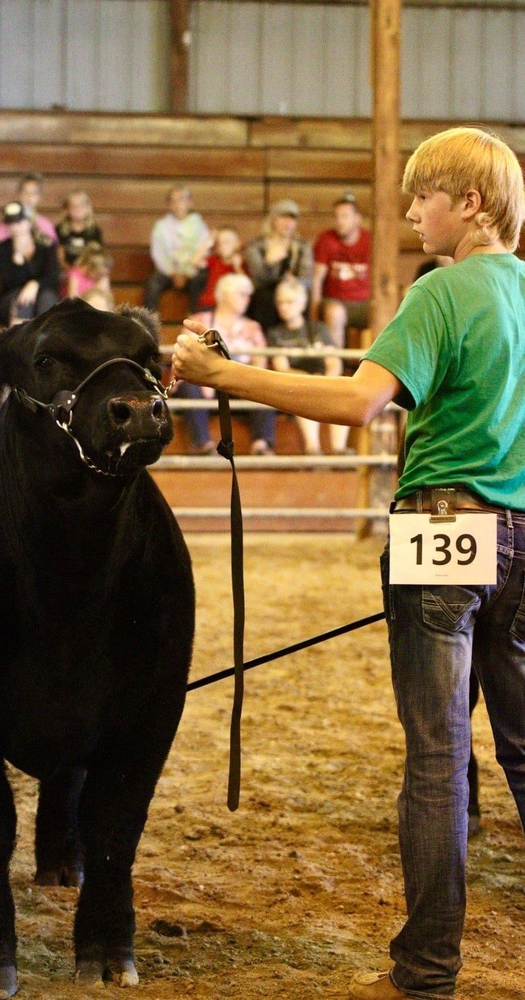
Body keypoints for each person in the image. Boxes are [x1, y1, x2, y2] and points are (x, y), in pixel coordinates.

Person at [172, 126, 525, 999]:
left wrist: (231, 377)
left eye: (422, 198)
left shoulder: (444, 291)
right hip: (522, 533)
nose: (410, 215)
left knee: (437, 756)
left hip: (441, 526)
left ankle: (426, 970)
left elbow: (360, 402)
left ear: (469, 203)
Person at [173, 272, 276, 456]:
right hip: (204, 383)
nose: (247, 299)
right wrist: (211, 378)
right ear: (224, 295)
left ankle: (261, 444)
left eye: (248, 295)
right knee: (189, 386)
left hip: (239, 384)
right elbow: (188, 355)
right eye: (242, 293)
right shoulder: (199, 321)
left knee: (266, 386)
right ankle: (202, 444)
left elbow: (260, 363)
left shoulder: (253, 327)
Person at [267, 276, 348, 455]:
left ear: (302, 304)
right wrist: (311, 380)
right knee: (305, 395)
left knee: (343, 393)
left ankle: (339, 450)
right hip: (296, 385)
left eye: (289, 301)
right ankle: (313, 449)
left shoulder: (318, 329)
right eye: (280, 302)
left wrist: (327, 382)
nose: (284, 306)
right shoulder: (276, 334)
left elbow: (334, 362)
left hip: (325, 383)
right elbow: (282, 368)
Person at [310, 192, 371, 349]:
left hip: (364, 303)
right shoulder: (326, 239)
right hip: (335, 301)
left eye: (344, 216)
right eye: (336, 217)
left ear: (357, 219)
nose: (339, 221)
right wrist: (314, 316)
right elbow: (317, 279)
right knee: (335, 313)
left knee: (384, 313)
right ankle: (336, 367)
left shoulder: (369, 240)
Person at [244, 199, 313, 334]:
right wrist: (270, 263)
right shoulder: (256, 245)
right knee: (265, 298)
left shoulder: (302, 246)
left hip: (292, 291)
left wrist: (293, 284)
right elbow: (258, 279)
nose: (287, 223)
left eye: (291, 219)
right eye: (283, 218)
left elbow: (307, 278)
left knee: (296, 298)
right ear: (273, 220)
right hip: (266, 295)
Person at [143, 185, 211, 314]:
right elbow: (159, 253)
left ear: (190, 203)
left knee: (202, 280)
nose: (178, 204)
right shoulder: (161, 226)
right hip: (169, 271)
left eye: (181, 199)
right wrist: (174, 272)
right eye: (173, 201)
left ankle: (194, 318)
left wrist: (187, 272)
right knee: (152, 284)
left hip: (192, 270)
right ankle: (148, 321)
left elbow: (203, 251)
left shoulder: (199, 225)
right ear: (168, 204)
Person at [0, 202, 60, 325]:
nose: (14, 227)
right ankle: (20, 340)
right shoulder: (1, 249)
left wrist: (35, 284)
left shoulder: (47, 246)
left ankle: (46, 341)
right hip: (12, 299)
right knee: (23, 299)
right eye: (10, 223)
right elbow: (11, 283)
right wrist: (18, 259)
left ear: (29, 222)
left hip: (44, 295)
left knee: (47, 297)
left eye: (18, 222)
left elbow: (53, 276)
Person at [0, 172, 58, 244]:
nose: (29, 197)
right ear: (19, 194)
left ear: (39, 197)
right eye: (25, 192)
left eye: (34, 193)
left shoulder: (45, 223)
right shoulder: (9, 221)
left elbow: (53, 244)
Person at [55, 189, 104, 278]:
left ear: (88, 208)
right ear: (67, 210)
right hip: (66, 272)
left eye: (81, 205)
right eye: (74, 206)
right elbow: (59, 259)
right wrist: (73, 271)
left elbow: (96, 256)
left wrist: (84, 271)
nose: (78, 209)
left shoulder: (94, 231)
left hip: (88, 271)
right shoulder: (60, 230)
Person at [197, 225, 245, 310]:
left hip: (230, 305)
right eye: (219, 243)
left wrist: (237, 267)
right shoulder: (214, 260)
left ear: (238, 244)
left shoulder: (241, 263)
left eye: (226, 242)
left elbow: (245, 285)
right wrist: (209, 241)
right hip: (210, 303)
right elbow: (195, 262)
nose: (222, 246)